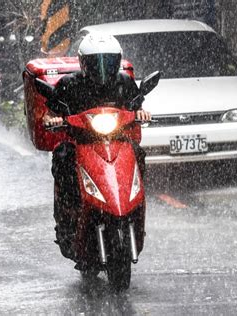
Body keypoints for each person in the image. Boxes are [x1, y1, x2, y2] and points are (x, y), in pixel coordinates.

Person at [42, 33, 151, 260]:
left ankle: (133, 200)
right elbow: (50, 112)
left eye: (108, 62)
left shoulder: (124, 83)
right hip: (81, 142)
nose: (102, 68)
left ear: (117, 61)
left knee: (139, 153)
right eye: (95, 62)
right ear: (83, 63)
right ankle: (68, 212)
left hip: (117, 142)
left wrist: (141, 113)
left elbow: (136, 106)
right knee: (62, 157)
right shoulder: (69, 85)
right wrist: (52, 119)